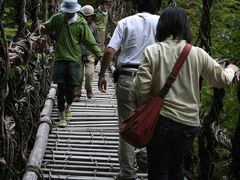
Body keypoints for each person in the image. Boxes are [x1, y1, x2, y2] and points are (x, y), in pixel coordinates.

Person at [133, 6, 239, 180]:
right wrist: (231, 70)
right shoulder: (197, 53)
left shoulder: (152, 51)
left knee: (157, 170)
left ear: (162, 26)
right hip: (188, 124)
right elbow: (220, 81)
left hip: (159, 121)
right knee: (176, 169)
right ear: (184, 26)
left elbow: (140, 88)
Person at [98, 0, 161, 179]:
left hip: (127, 77)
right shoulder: (162, 22)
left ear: (136, 6)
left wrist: (102, 75)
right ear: (157, 6)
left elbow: (110, 51)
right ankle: (147, 159)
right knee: (149, 123)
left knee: (126, 126)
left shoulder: (125, 22)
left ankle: (127, 173)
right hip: (152, 79)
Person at [40, 0, 103, 127]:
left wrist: (100, 55)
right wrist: (39, 28)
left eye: (70, 12)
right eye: (66, 12)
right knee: (61, 88)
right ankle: (62, 116)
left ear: (75, 10)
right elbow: (45, 28)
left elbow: (90, 42)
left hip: (74, 60)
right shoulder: (58, 18)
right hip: (60, 59)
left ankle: (68, 107)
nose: (68, 14)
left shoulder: (81, 24)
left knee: (71, 89)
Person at [73, 5, 101, 101]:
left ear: (92, 16)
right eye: (85, 16)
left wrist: (97, 56)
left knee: (89, 74)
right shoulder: (76, 25)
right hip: (78, 54)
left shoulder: (93, 27)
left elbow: (97, 42)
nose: (87, 17)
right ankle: (77, 93)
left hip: (90, 55)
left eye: (88, 16)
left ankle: (89, 90)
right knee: (79, 76)